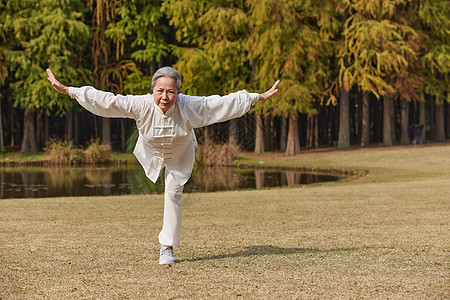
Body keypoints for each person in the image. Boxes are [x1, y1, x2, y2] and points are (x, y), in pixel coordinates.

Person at [47, 67, 279, 264]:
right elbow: (109, 101)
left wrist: (254, 97)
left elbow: (218, 104)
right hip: (152, 151)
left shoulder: (189, 105)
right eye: (160, 91)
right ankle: (166, 244)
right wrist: (70, 90)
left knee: (173, 192)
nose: (165, 96)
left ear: (178, 92)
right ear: (153, 91)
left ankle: (166, 247)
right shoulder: (141, 104)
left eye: (171, 91)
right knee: (167, 188)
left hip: (180, 153)